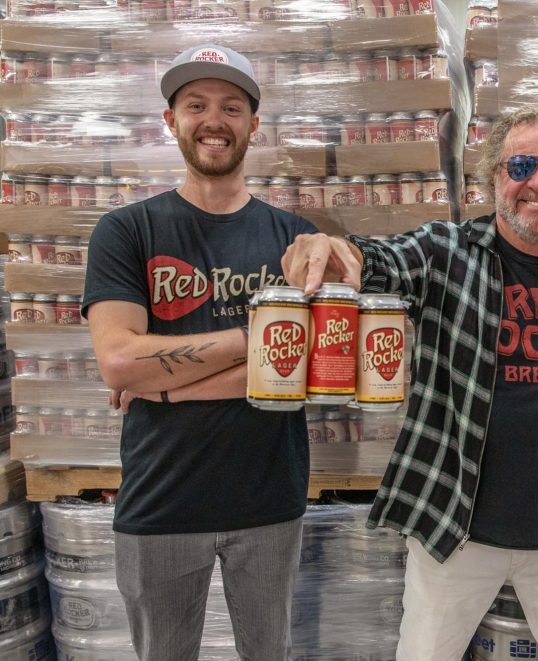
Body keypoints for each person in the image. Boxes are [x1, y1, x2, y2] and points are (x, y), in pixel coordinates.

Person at [281, 105, 538, 660]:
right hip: (457, 528)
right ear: (493, 177)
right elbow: (379, 262)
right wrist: (327, 249)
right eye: (521, 166)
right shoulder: (447, 253)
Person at [82, 44, 317, 661]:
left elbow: (310, 370)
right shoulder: (126, 231)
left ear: (253, 125)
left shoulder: (296, 240)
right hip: (160, 501)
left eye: (232, 107)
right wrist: (259, 339)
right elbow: (118, 363)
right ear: (170, 120)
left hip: (270, 501)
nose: (214, 119)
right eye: (196, 105)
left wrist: (165, 383)